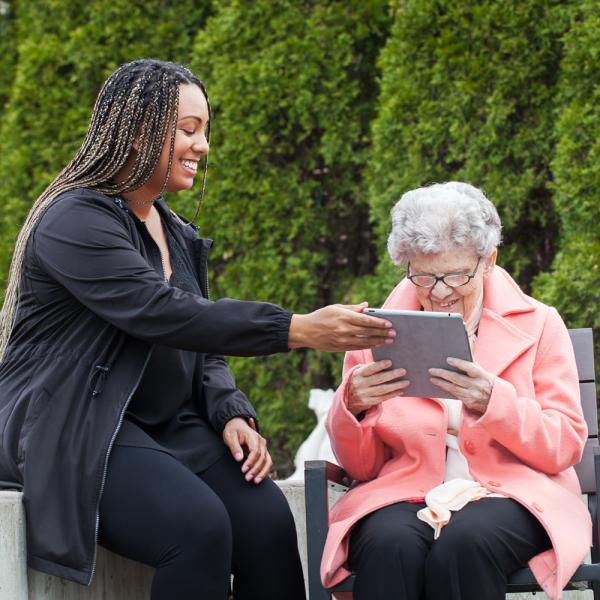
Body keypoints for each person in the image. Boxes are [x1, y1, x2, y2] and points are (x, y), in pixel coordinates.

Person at [0, 59, 397, 600]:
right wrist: (297, 329)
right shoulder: (74, 220)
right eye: (188, 130)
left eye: (204, 131)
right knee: (197, 529)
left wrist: (229, 409)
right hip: (83, 424)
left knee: (267, 524)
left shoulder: (174, 230)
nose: (203, 145)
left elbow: (200, 342)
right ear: (139, 133)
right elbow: (162, 312)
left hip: (169, 425)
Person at [321, 182, 591, 600]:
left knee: (465, 543)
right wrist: (351, 407)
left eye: (457, 275)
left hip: (514, 491)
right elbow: (362, 467)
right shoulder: (375, 333)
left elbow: (565, 445)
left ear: (488, 261)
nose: (441, 291)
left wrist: (493, 401)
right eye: (425, 277)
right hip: (404, 490)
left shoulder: (539, 324)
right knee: (389, 544)